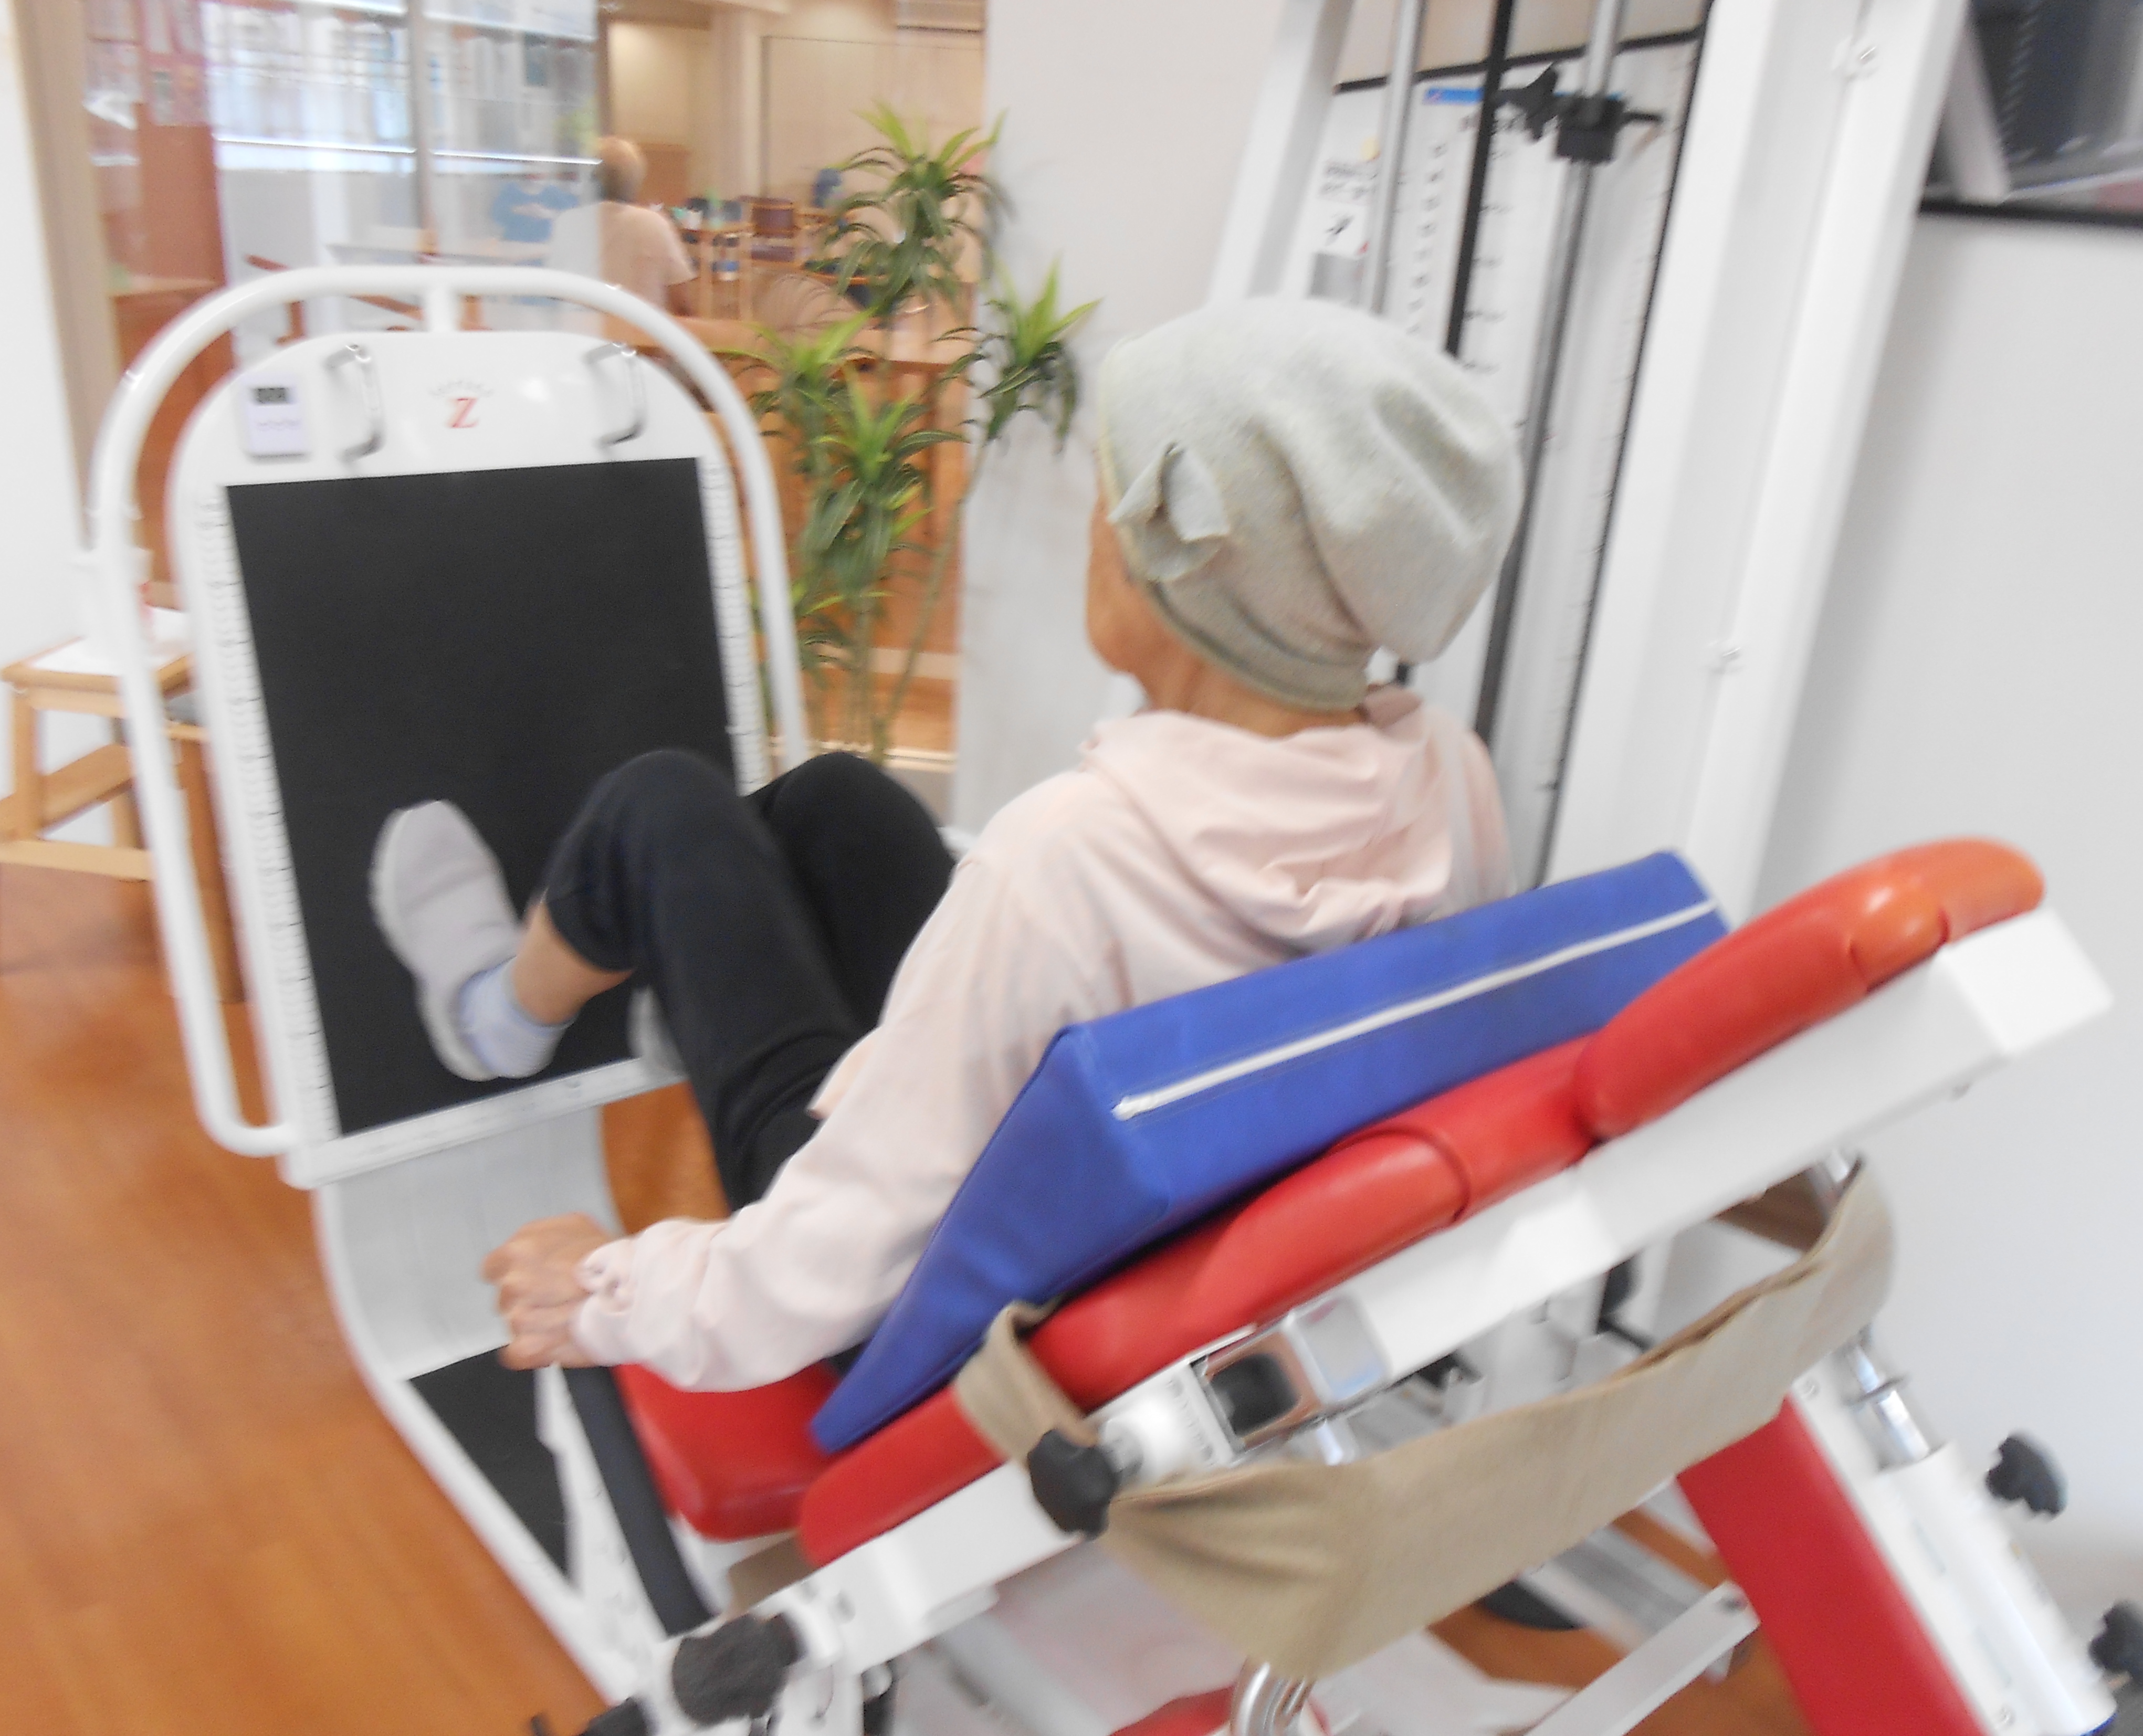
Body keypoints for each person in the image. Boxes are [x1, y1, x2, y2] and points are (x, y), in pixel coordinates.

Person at [367, 298, 1524, 1392]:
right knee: (837, 802)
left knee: (659, 806)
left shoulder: (1066, 862)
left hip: (935, 1317)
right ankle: (684, 980)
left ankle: (491, 1014)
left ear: (1172, 557)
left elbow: (817, 1268)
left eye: (1105, 494)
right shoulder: (1448, 778)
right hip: (1094, 1216)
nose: (1091, 525)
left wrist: (608, 1291)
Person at [545, 136, 696, 317]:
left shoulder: (568, 222)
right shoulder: (655, 224)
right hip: (640, 331)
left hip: (582, 330)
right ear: (635, 180)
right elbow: (682, 303)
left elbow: (553, 293)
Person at [490, 169, 580, 244]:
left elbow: (572, 215)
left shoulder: (553, 192)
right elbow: (496, 214)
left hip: (544, 244)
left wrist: (548, 213)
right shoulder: (510, 190)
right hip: (513, 242)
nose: (533, 178)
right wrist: (519, 210)